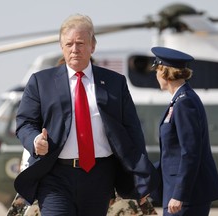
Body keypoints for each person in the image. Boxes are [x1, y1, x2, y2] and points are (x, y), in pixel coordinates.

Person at [14, 14, 159, 216]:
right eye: (69, 44)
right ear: (61, 46)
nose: (75, 49)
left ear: (93, 45)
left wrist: (139, 177)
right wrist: (35, 140)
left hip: (100, 177)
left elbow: (132, 131)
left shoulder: (114, 83)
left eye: (80, 43)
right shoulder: (40, 82)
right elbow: (24, 123)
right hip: (55, 176)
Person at [150, 46, 218, 216]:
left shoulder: (184, 102)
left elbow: (190, 152)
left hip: (186, 197)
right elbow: (171, 155)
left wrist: (179, 194)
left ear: (164, 72)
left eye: (157, 70)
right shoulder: (180, 99)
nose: (155, 75)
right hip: (178, 192)